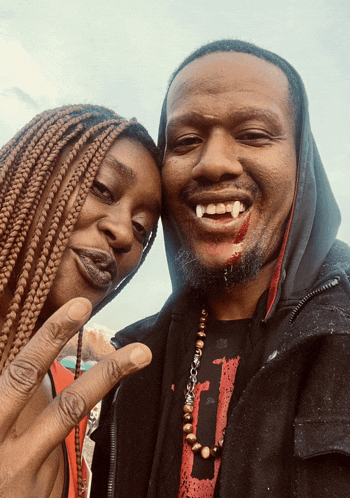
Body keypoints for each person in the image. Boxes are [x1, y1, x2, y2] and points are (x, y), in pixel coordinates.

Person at [90, 40, 350, 497]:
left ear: (302, 164)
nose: (213, 164)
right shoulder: (131, 360)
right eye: (186, 141)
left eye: (253, 134)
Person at [0, 104, 161, 498]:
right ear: (27, 178)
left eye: (142, 228)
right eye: (103, 189)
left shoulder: (61, 389)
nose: (124, 234)